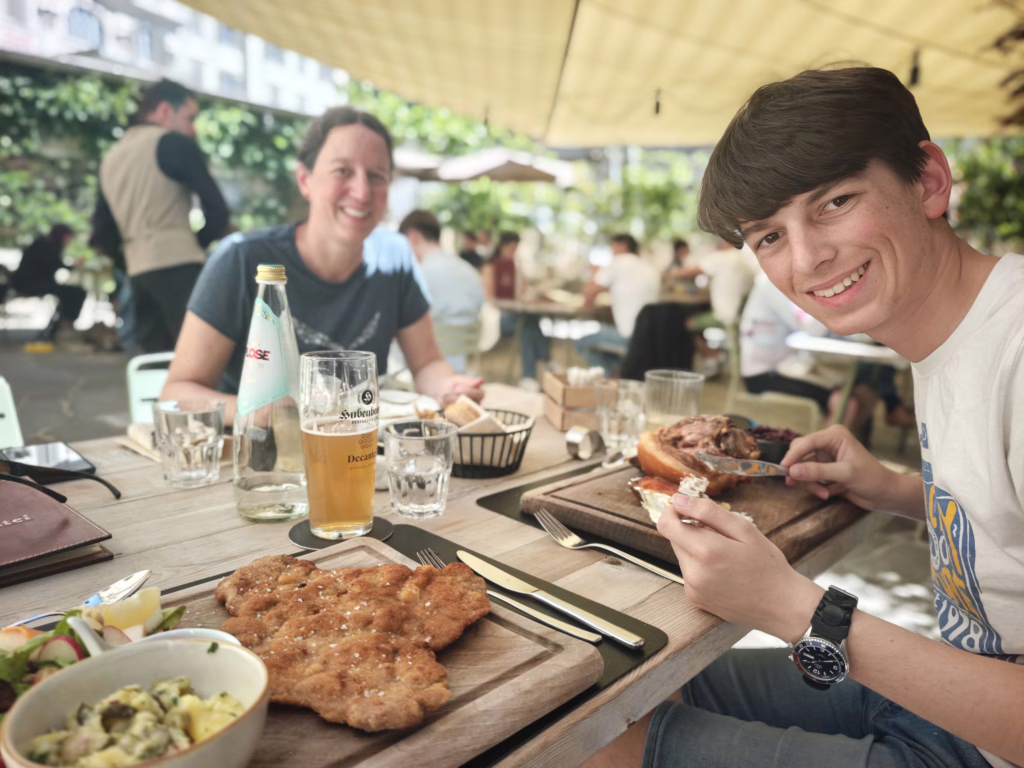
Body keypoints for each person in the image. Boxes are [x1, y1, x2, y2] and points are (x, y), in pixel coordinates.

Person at [585, 66, 1024, 768]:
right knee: (621, 699)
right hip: (954, 697)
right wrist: (893, 488)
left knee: (601, 751)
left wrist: (797, 610)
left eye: (835, 202)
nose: (809, 258)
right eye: (769, 236)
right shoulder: (952, 329)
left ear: (930, 181)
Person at [160, 107, 483, 427]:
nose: (362, 192)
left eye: (377, 176)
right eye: (343, 171)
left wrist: (447, 388)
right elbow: (176, 393)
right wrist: (268, 413)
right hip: (263, 464)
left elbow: (427, 364)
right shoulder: (242, 259)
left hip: (359, 455)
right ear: (305, 180)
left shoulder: (395, 257)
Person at [89, 78, 230, 354]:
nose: (193, 130)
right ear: (166, 111)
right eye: (190, 118)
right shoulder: (173, 143)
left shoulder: (111, 159)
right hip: (180, 266)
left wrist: (128, 256)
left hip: (138, 271)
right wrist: (194, 244)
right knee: (201, 358)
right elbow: (217, 210)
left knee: (155, 362)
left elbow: (103, 232)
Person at [740, 271, 879, 432]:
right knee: (846, 402)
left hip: (789, 367)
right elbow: (812, 328)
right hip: (765, 375)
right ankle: (824, 453)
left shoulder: (781, 283)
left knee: (867, 394)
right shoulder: (772, 284)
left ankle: (842, 446)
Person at [399, 209, 485, 372]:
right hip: (467, 368)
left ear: (413, 236)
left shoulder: (418, 276)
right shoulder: (470, 270)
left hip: (425, 372)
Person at [576, 233, 660, 376]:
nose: (612, 252)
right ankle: (618, 375)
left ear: (623, 246)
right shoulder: (650, 267)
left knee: (582, 343)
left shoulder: (618, 262)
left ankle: (610, 381)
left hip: (628, 336)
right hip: (653, 337)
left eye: (613, 248)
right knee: (605, 342)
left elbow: (589, 293)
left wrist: (594, 274)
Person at [482, 231, 550, 390]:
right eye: (512, 248)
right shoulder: (490, 266)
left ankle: (529, 377)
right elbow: (490, 297)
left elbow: (523, 291)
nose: (514, 252)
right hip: (496, 316)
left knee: (530, 320)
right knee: (526, 324)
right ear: (502, 246)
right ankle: (544, 363)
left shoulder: (515, 267)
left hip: (515, 313)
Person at [9, 224, 86, 341]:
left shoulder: (47, 244)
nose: (69, 242)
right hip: (29, 284)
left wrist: (71, 266)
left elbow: (55, 264)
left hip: (34, 283)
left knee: (74, 292)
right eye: (68, 238)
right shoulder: (45, 245)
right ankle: (63, 325)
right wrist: (73, 266)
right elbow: (55, 264)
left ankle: (60, 325)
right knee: (76, 292)